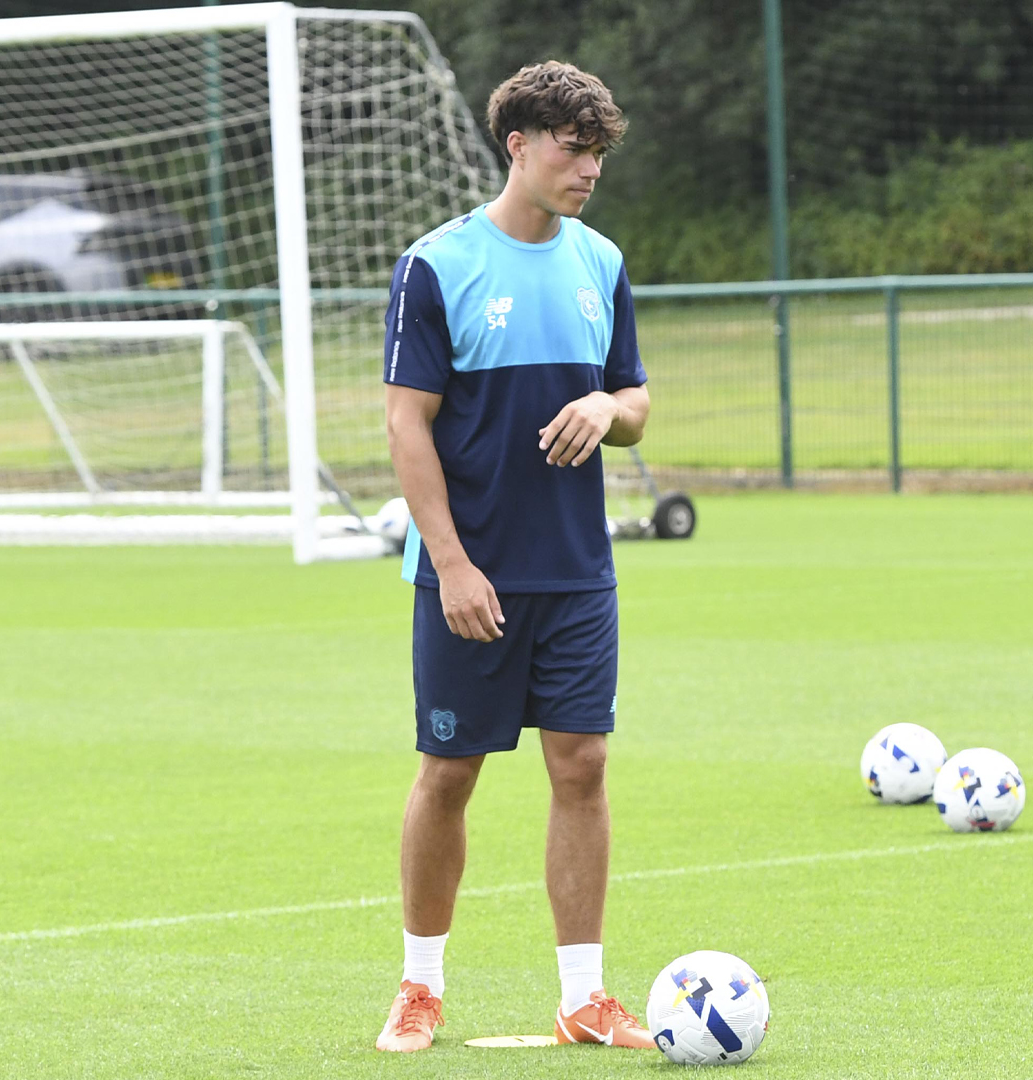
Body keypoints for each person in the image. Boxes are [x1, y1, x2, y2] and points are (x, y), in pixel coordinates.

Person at [374, 61, 654, 1053]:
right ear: (519, 145)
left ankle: (584, 995)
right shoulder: (437, 266)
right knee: (448, 773)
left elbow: (635, 400)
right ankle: (419, 985)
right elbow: (408, 427)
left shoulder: (603, 264)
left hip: (577, 570)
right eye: (574, 149)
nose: (589, 169)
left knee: (582, 766)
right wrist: (449, 563)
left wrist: (606, 408)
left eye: (599, 153)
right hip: (470, 573)